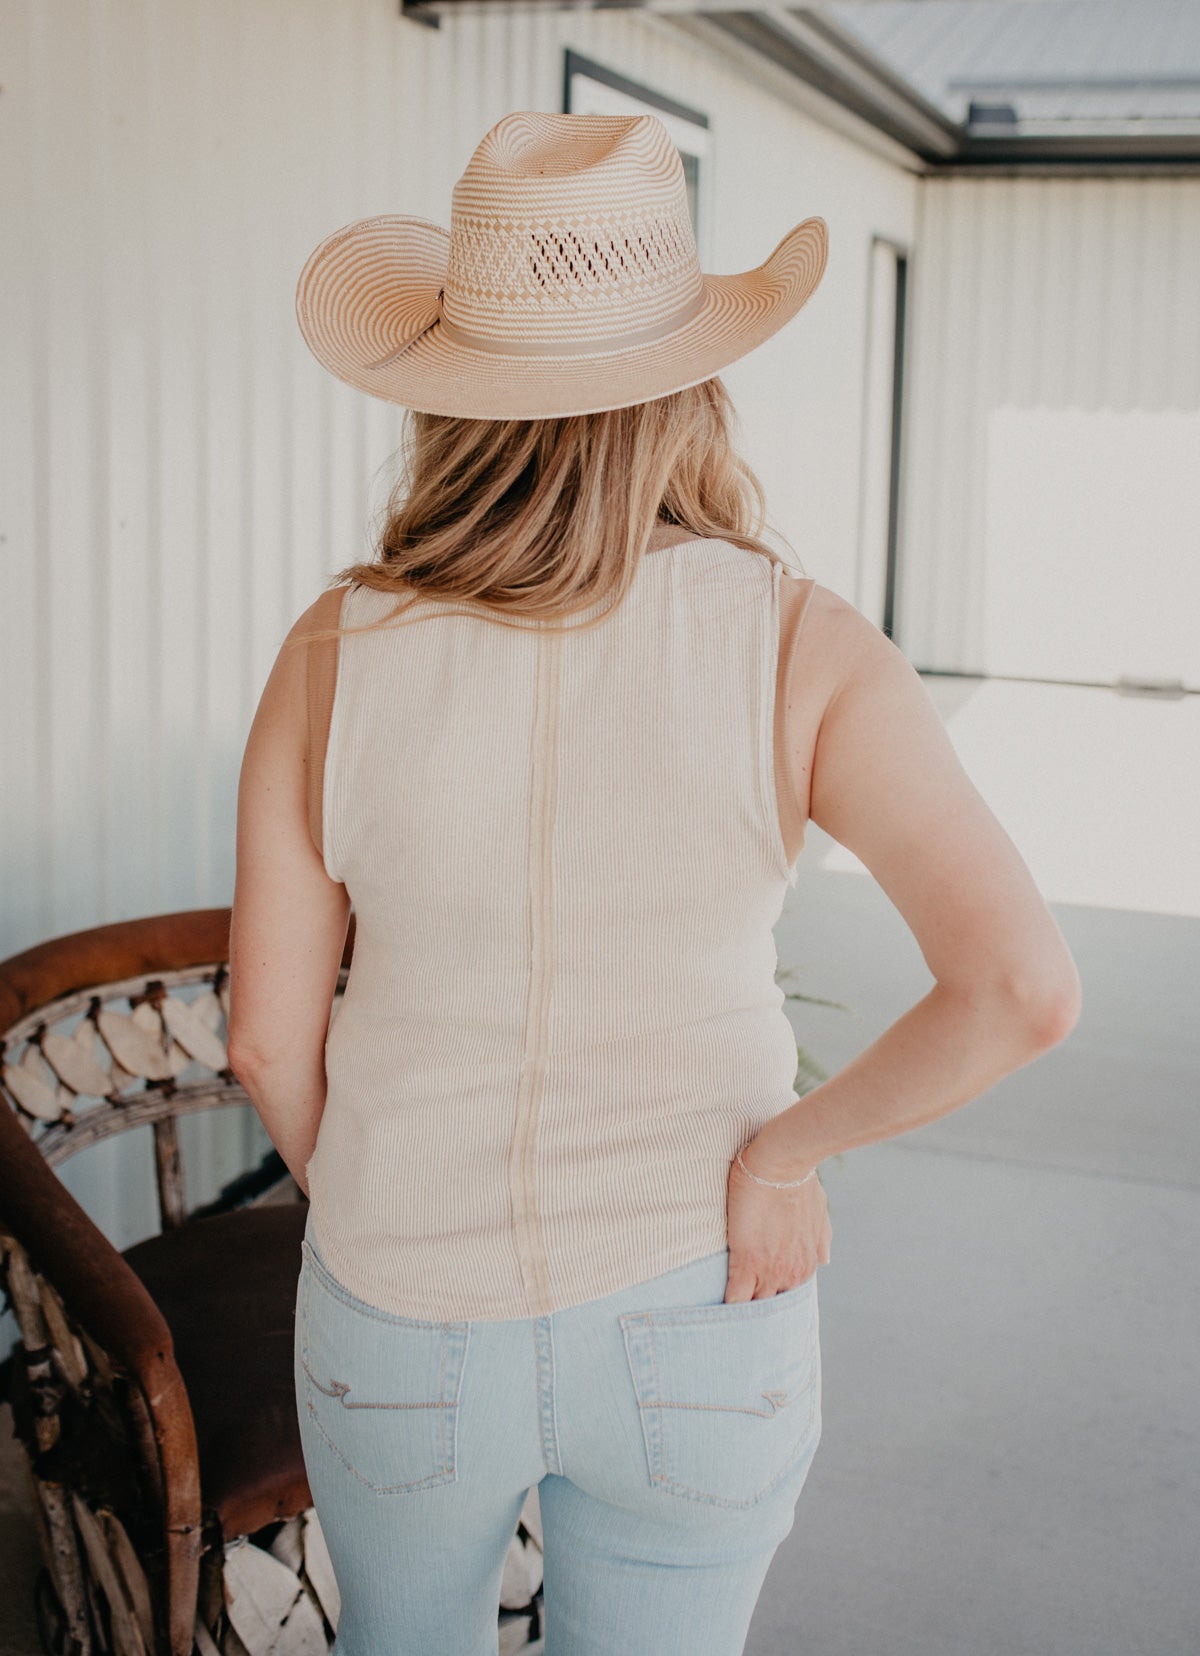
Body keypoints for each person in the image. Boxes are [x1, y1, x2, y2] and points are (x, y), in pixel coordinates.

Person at [227, 111, 1082, 1656]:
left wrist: (370, 1198)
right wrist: (783, 1160)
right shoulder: (801, 643)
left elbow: (268, 1045)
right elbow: (1020, 988)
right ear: (694, 380)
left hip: (399, 1301)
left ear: (448, 396)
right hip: (702, 1299)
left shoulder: (334, 647)